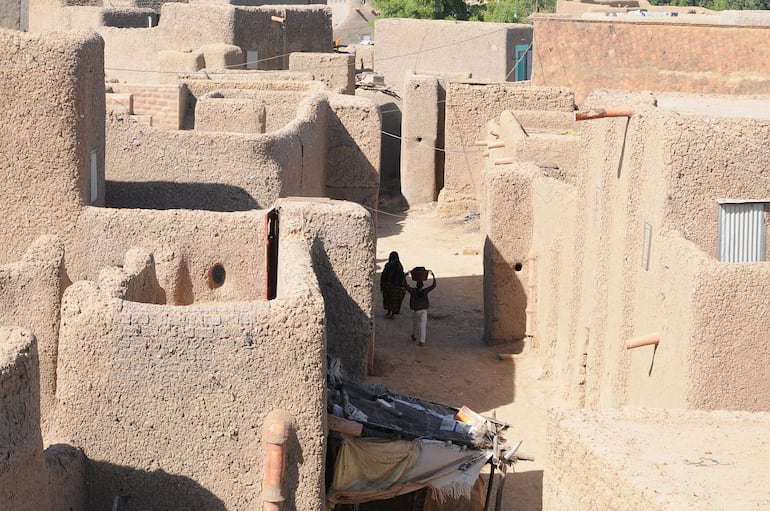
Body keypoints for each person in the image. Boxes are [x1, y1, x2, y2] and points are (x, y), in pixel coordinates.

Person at [404, 269, 436, 346]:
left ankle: (414, 335)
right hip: (424, 310)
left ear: (416, 285)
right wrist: (433, 276)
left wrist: (405, 275)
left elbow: (404, 285)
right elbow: (433, 286)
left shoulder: (413, 291)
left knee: (415, 324)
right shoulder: (425, 291)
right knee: (423, 325)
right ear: (422, 285)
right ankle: (422, 341)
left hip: (416, 310)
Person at [380, 251, 406, 318]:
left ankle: (391, 313)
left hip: (393, 286)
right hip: (391, 286)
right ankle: (390, 312)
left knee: (392, 300)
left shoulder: (395, 266)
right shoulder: (391, 266)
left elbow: (400, 276)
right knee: (390, 300)